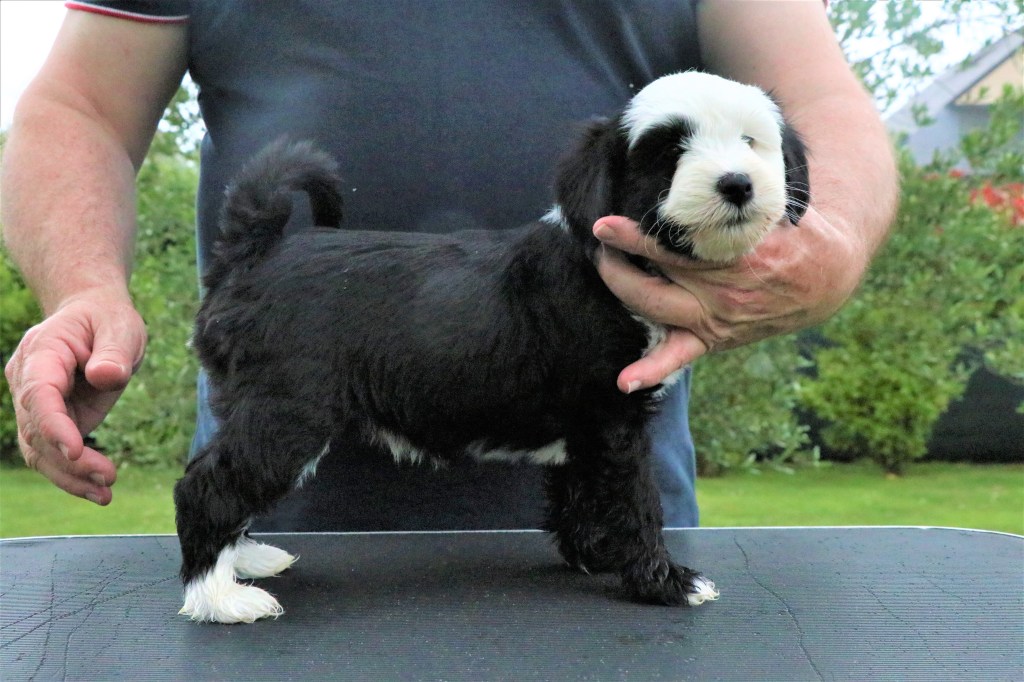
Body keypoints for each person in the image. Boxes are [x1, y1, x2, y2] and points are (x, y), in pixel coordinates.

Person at [2, 1, 896, 530]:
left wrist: (832, 242)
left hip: (609, 511)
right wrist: (85, 289)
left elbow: (818, 98)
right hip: (288, 520)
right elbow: (80, 107)